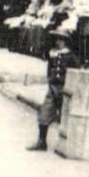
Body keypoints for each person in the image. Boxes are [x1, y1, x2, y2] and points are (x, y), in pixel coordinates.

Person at [30, 17, 78, 151]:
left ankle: (68, 145)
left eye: (61, 40)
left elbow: (75, 73)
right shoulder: (52, 54)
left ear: (66, 41)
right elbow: (49, 70)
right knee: (44, 114)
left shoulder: (71, 57)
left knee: (67, 117)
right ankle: (41, 141)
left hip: (65, 89)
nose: (58, 42)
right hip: (53, 88)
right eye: (57, 39)